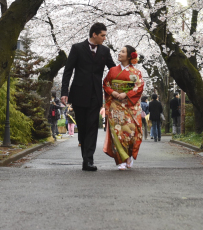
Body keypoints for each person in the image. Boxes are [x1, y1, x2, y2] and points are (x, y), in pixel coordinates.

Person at [60, 22, 115, 171]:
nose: (104, 38)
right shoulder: (77, 48)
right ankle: (85, 157)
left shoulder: (105, 51)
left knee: (92, 126)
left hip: (96, 95)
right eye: (102, 35)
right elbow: (68, 71)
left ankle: (88, 160)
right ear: (94, 35)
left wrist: (128, 73)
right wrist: (64, 92)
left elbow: (113, 70)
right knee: (83, 127)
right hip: (79, 93)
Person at [102, 45, 145, 170]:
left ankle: (128, 155)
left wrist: (126, 94)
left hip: (130, 105)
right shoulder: (112, 71)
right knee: (118, 132)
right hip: (116, 105)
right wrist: (113, 93)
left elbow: (139, 87)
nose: (119, 53)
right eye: (120, 51)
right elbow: (105, 84)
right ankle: (120, 159)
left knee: (131, 132)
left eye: (122, 52)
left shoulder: (136, 72)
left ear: (129, 55)